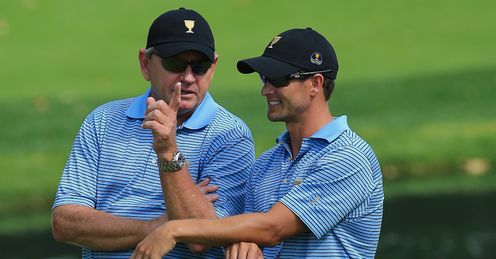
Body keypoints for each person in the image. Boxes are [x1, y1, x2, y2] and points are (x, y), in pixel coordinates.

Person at [131, 27, 384, 259]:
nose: (266, 90)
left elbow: (272, 228)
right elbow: (253, 236)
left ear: (315, 83)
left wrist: (175, 229)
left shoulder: (348, 157)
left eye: (279, 79)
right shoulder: (265, 165)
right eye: (265, 78)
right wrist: (246, 244)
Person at [51, 7, 255, 258]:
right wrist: (160, 226)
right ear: (145, 64)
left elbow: (203, 238)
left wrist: (169, 151)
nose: (189, 77)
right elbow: (65, 223)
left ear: (213, 67)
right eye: (175, 63)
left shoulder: (230, 135)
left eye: (200, 66)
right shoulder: (102, 122)